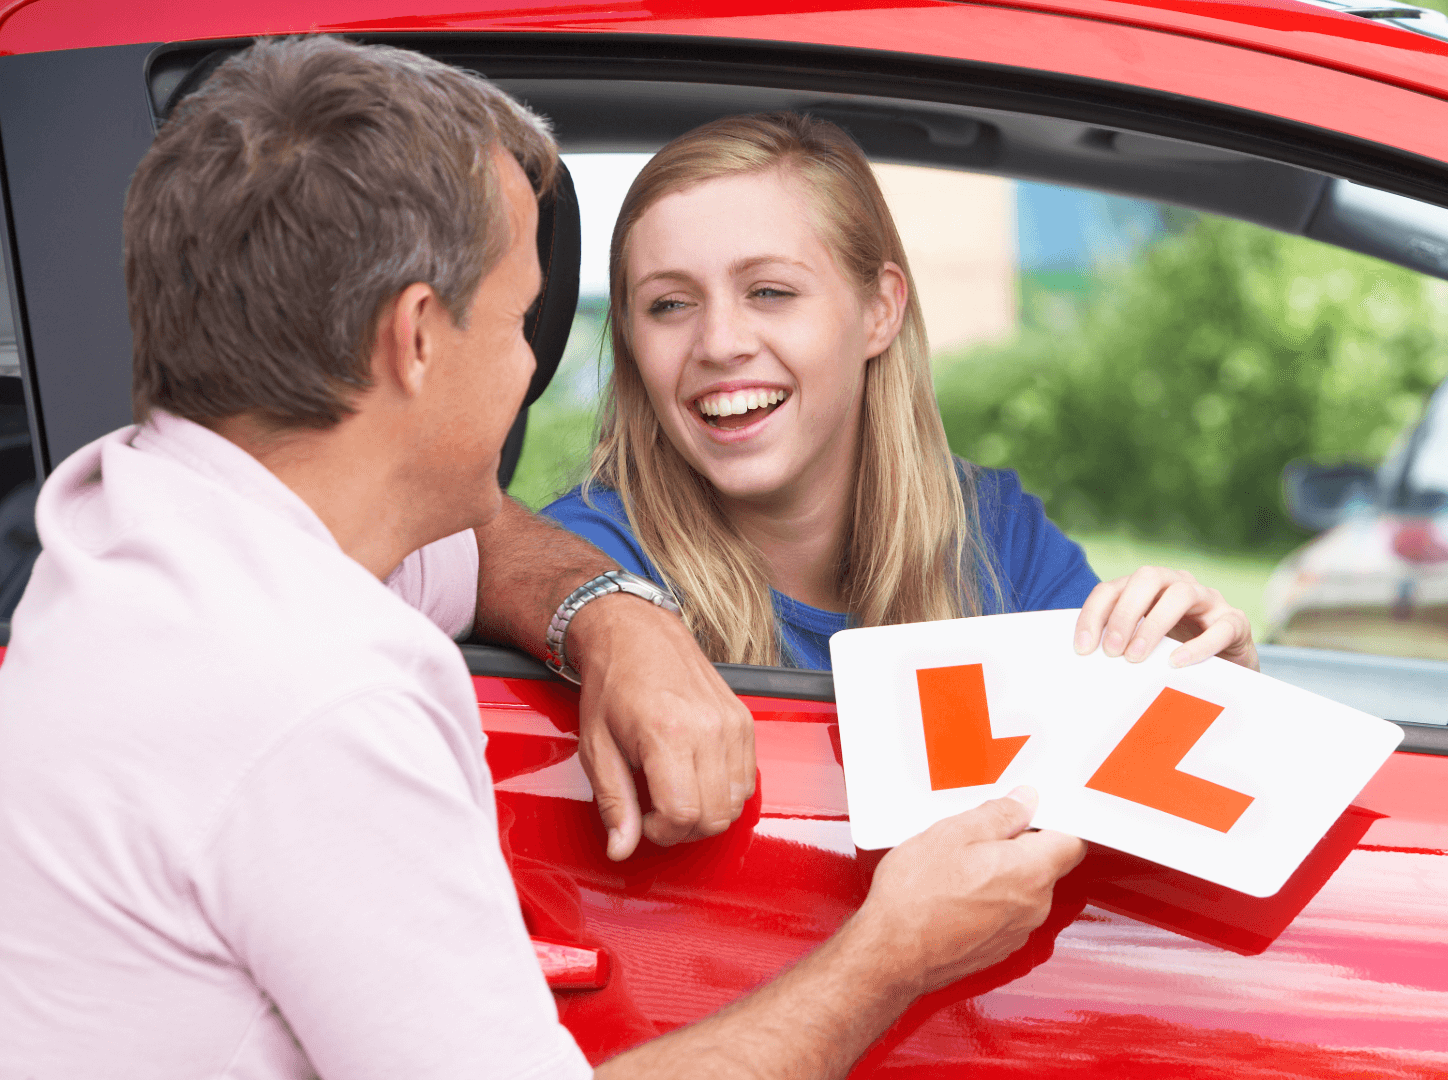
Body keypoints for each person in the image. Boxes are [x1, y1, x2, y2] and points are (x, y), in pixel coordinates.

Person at [0, 37, 1084, 1079]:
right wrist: (893, 954)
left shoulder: (152, 513)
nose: (530, 367)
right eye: (522, 318)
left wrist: (612, 614)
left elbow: (484, 544)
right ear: (416, 339)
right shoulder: (315, 700)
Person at [543, 113, 1258, 673]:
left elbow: (1112, 788)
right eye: (669, 304)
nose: (720, 342)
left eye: (769, 291)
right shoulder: (587, 564)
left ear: (879, 311)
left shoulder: (998, 539)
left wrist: (1210, 691)